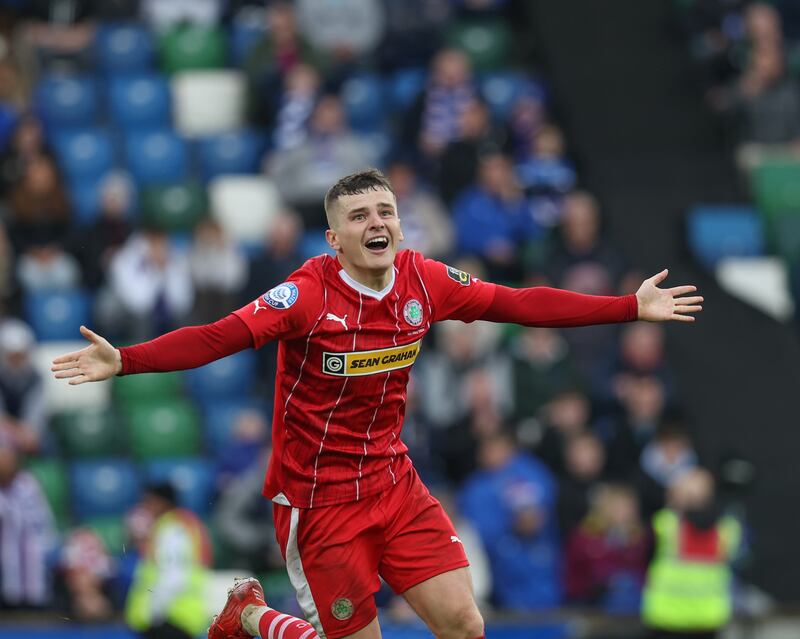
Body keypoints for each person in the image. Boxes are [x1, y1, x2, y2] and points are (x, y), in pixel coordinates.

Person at [52, 168, 703, 639]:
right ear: (334, 238)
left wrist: (628, 306)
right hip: (319, 499)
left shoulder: (426, 279)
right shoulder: (306, 296)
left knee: (465, 622)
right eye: (359, 216)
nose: (377, 223)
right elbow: (219, 336)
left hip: (393, 481)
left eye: (385, 211)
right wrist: (127, 358)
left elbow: (518, 301)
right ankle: (249, 613)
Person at [125, 483, 214, 639]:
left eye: (148, 502)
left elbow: (174, 575)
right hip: (175, 619)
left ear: (161, 502)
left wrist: (153, 615)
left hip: (170, 620)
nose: (145, 508)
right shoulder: (180, 525)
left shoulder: (172, 529)